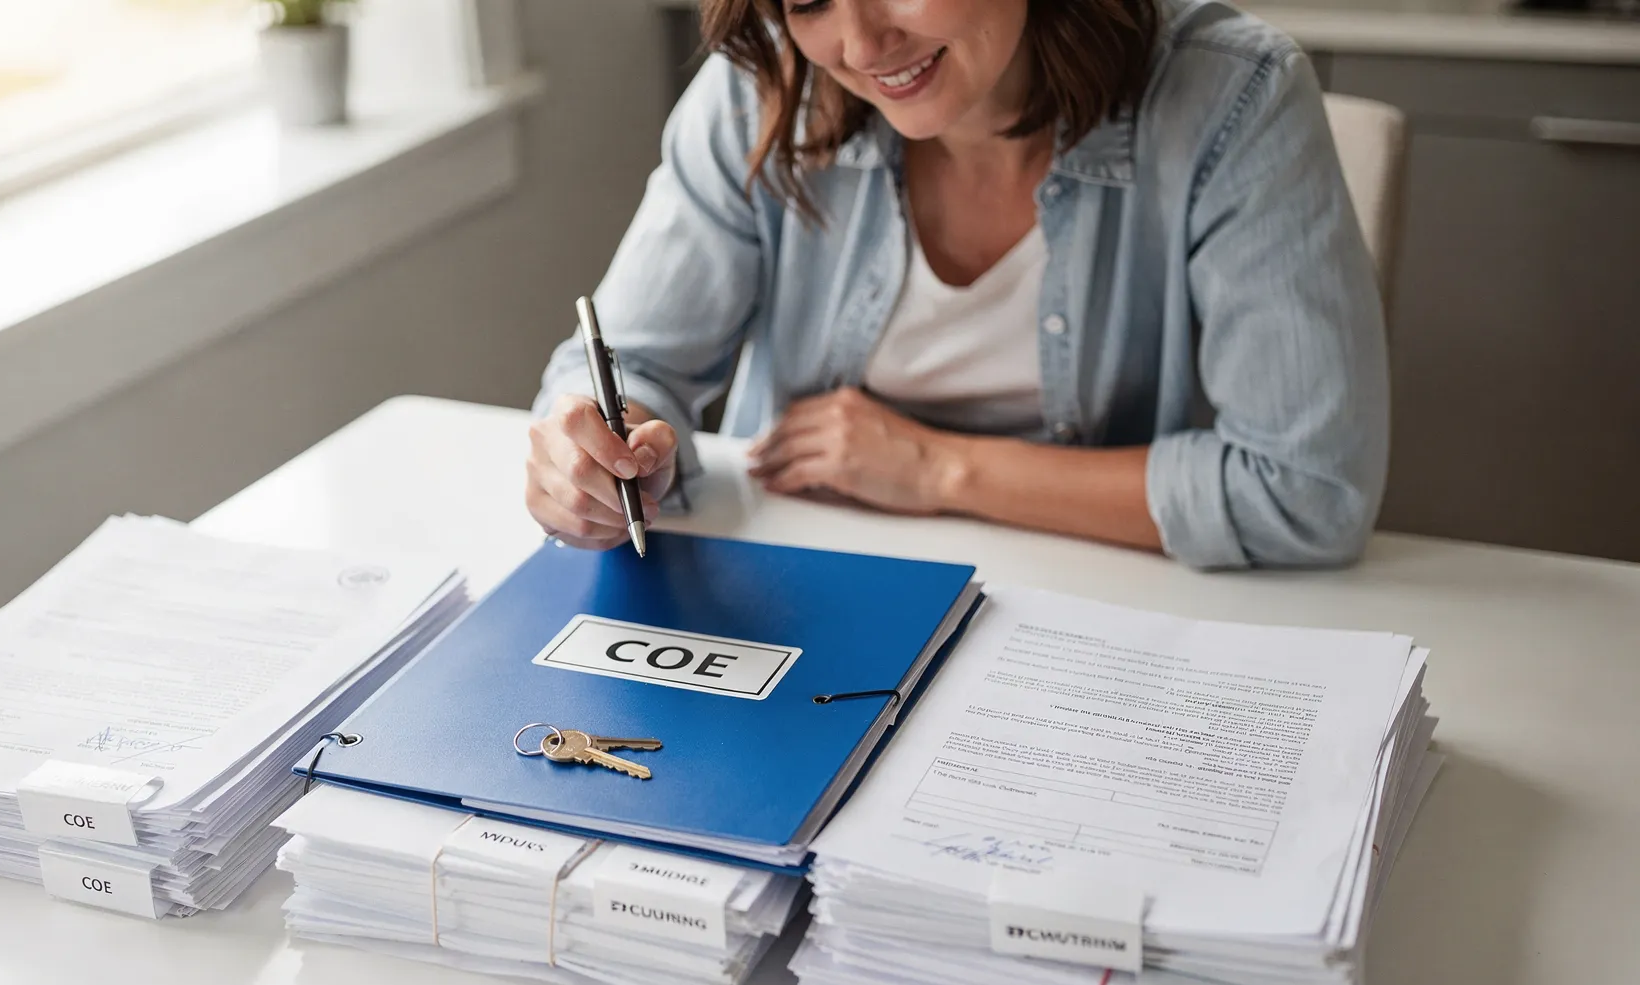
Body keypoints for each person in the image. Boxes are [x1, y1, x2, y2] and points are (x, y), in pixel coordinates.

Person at [526, 0, 1388, 570]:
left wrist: (937, 468)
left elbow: (1305, 491)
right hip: (808, 590)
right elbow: (627, 363)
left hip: (1111, 620)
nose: (862, 47)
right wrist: (599, 452)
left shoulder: (1235, 99)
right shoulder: (764, 93)